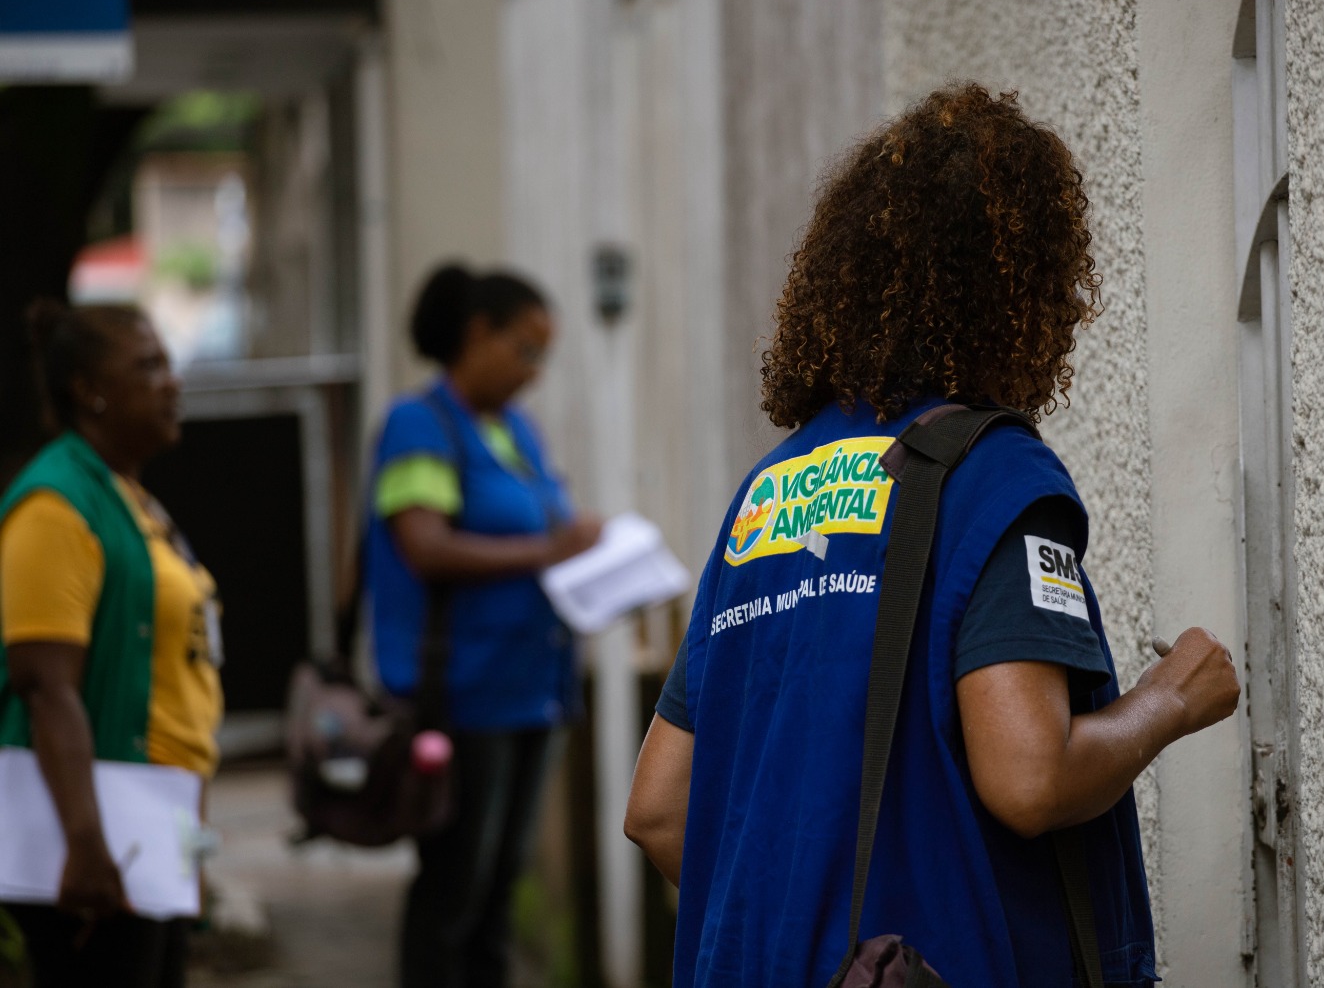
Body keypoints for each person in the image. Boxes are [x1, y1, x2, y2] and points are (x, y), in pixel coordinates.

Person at [625, 84, 1241, 987]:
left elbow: (660, 810)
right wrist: (1169, 702)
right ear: (1023, 292)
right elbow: (1029, 776)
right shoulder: (993, 479)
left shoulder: (768, 495)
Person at [368, 263, 600, 988]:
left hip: (536, 690)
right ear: (477, 333)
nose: (533, 373)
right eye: (524, 350)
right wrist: (547, 551)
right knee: (454, 893)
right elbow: (424, 545)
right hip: (466, 699)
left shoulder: (516, 432)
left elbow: (553, 527)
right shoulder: (420, 425)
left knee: (499, 894)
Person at [0, 301, 220, 988]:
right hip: (99, 834)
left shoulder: (127, 497)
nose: (171, 383)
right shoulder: (56, 506)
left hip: (156, 819)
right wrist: (86, 845)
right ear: (89, 390)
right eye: (148, 366)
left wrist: (192, 843)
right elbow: (46, 685)